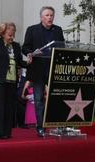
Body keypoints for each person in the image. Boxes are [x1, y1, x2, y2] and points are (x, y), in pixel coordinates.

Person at [22, 6, 65, 137]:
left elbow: (62, 46)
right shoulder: (32, 29)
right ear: (41, 17)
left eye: (51, 15)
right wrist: (30, 53)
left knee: (57, 98)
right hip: (38, 69)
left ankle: (58, 125)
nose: (50, 17)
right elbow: (25, 47)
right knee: (39, 99)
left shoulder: (57, 30)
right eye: (47, 15)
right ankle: (40, 127)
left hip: (53, 68)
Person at [0, 22, 28, 139]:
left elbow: (20, 62)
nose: (12, 37)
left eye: (13, 34)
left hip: (12, 80)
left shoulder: (16, 46)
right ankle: (0, 132)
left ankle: (7, 132)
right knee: (1, 107)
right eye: (9, 35)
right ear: (3, 33)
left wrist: (29, 62)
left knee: (10, 107)